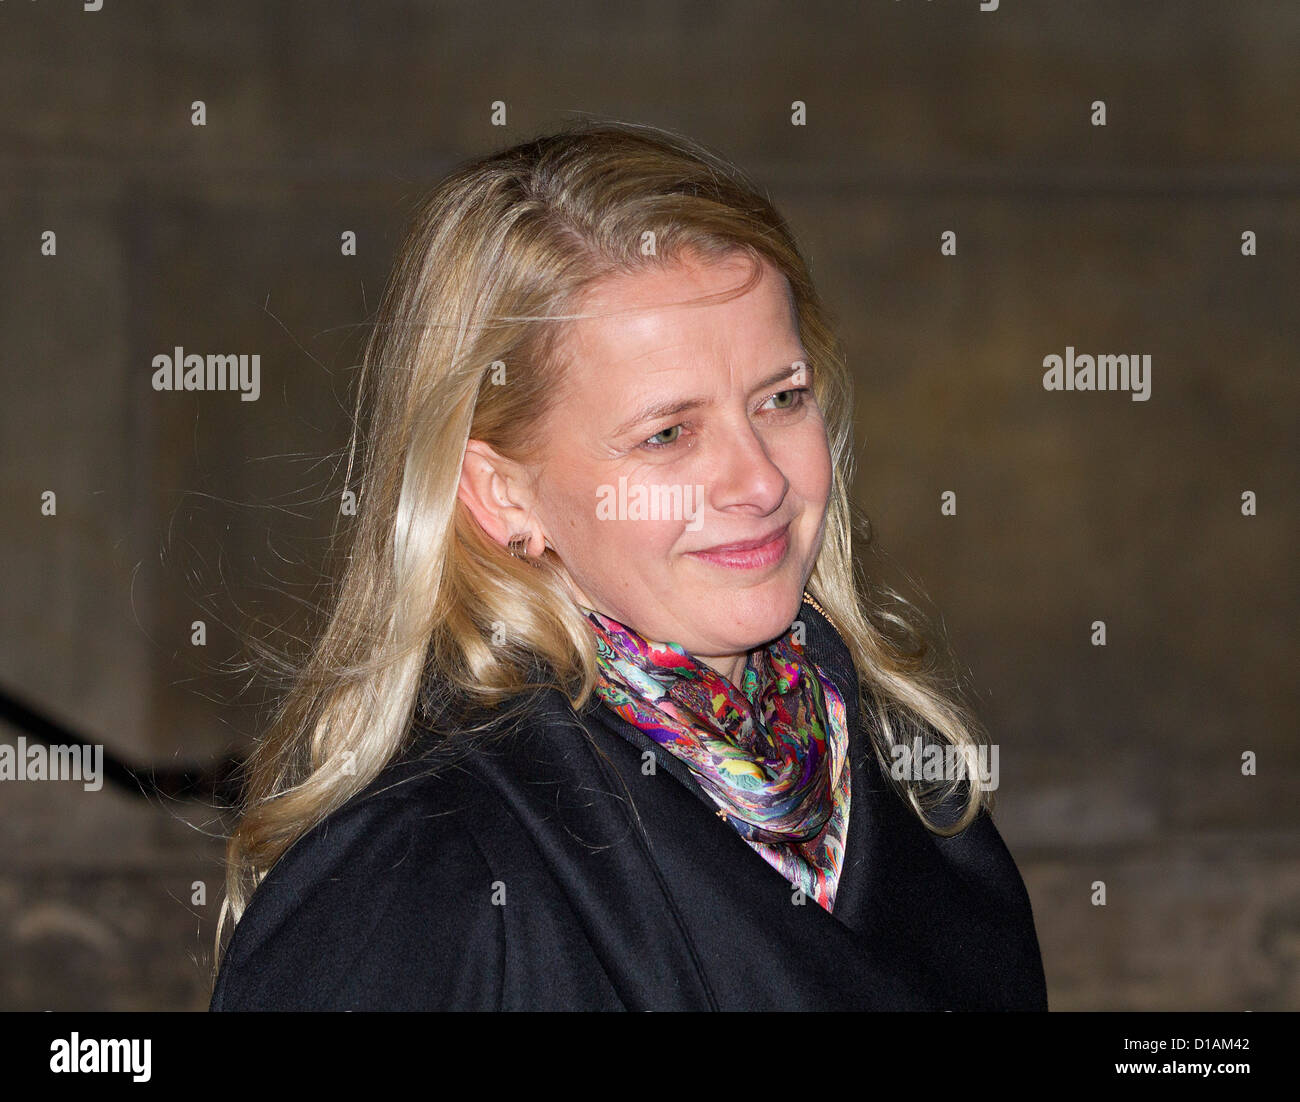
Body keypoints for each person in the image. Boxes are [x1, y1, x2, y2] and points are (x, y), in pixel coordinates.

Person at [209, 120, 1048, 1011]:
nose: (760, 480)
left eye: (782, 399)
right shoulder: (425, 871)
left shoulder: (908, 782)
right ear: (503, 495)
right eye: (667, 433)